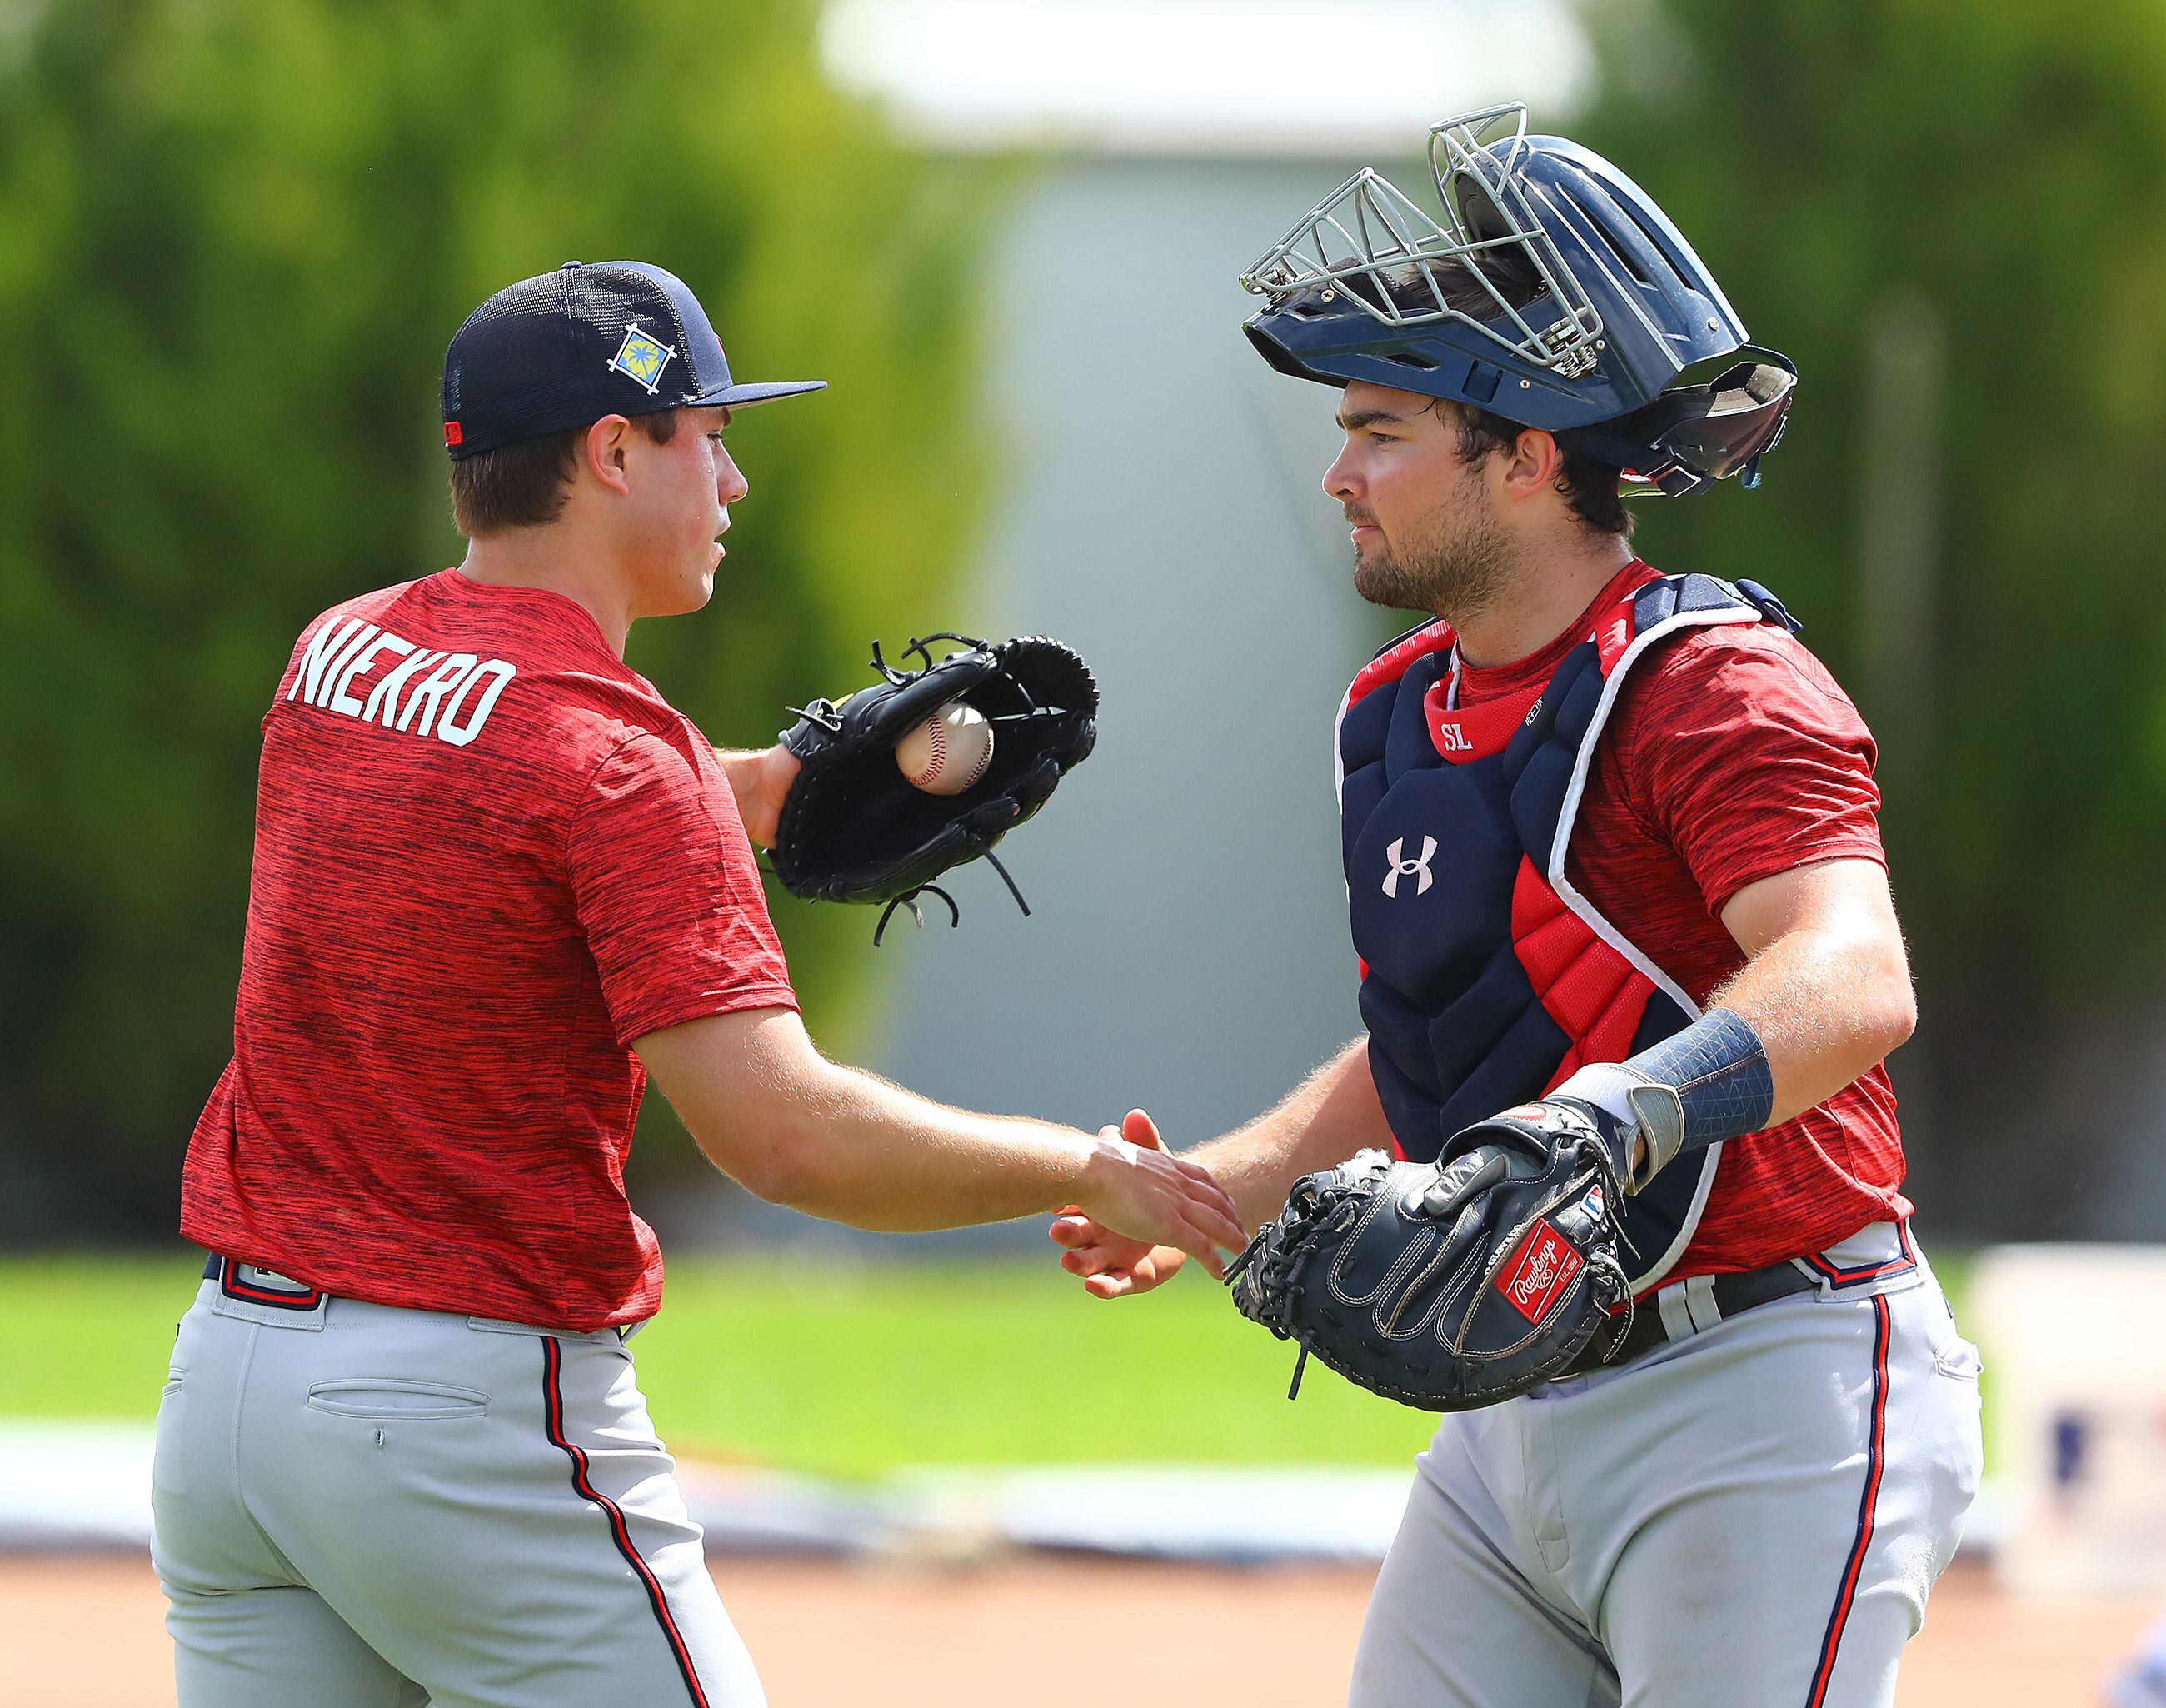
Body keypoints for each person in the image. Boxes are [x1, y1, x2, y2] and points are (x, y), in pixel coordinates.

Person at [152, 258, 1242, 1708]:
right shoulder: (619, 760)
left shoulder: (340, 650)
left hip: (229, 1400)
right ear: (613, 449)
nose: (731, 478)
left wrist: (774, 785)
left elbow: (510, 794)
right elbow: (785, 1138)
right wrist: (1089, 1166)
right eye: (706, 433)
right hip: (461, 1419)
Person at [1050, 107, 1982, 1707]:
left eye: (1383, 432)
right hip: (1513, 1411)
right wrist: (1232, 1182)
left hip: (1767, 1381)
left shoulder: (1710, 682)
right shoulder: (1399, 709)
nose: (1337, 473)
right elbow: (1445, 1022)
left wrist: (1610, 1119)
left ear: (1533, 456)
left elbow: (1853, 971)